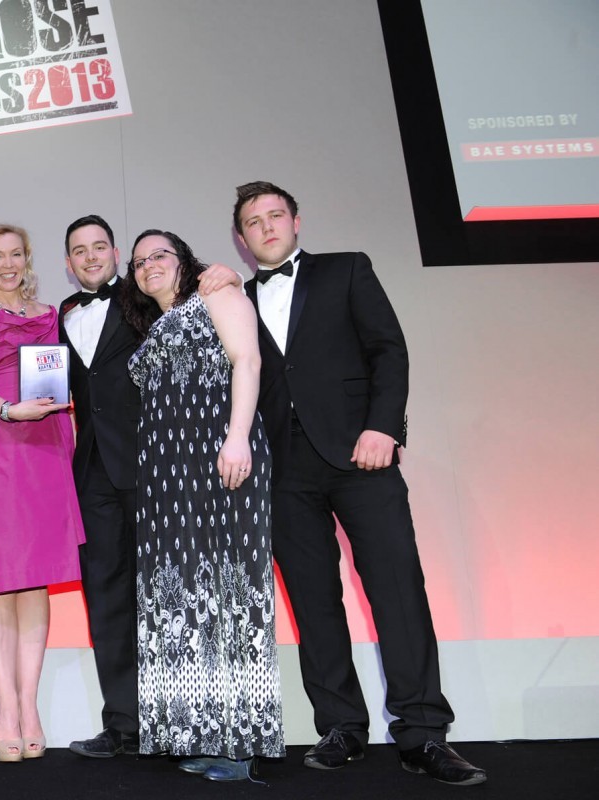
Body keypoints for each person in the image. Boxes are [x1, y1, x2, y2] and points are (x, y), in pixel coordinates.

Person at [232, 180, 486, 786]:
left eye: (275, 215)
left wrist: (383, 427)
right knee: (313, 602)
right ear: (241, 239)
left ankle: (423, 734)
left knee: (397, 590)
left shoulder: (346, 269)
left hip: (361, 455)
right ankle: (341, 727)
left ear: (296, 221)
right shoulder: (235, 300)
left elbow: (388, 350)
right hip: (281, 469)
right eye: (253, 222)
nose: (266, 227)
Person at [121, 230, 284, 781]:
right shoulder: (156, 323)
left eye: (159, 255)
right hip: (168, 476)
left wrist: (237, 438)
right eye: (138, 262)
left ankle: (242, 745)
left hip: (219, 456)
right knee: (186, 595)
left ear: (184, 259)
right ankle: (206, 732)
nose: (148, 266)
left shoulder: (216, 294)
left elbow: (247, 361)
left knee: (232, 588)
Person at [0, 223, 85, 762]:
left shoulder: (51, 314)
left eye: (16, 255)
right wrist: (9, 410)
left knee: (36, 580)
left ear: (27, 259)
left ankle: (30, 706)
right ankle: (5, 709)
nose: (7, 264)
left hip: (47, 447)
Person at [57, 215, 142, 758]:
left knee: (165, 593)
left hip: (152, 464)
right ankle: (124, 724)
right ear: (68, 262)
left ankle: (178, 722)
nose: (90, 256)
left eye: (99, 246)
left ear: (115, 252)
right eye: (79, 250)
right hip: (90, 471)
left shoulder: (146, 298)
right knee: (106, 597)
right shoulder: (61, 316)